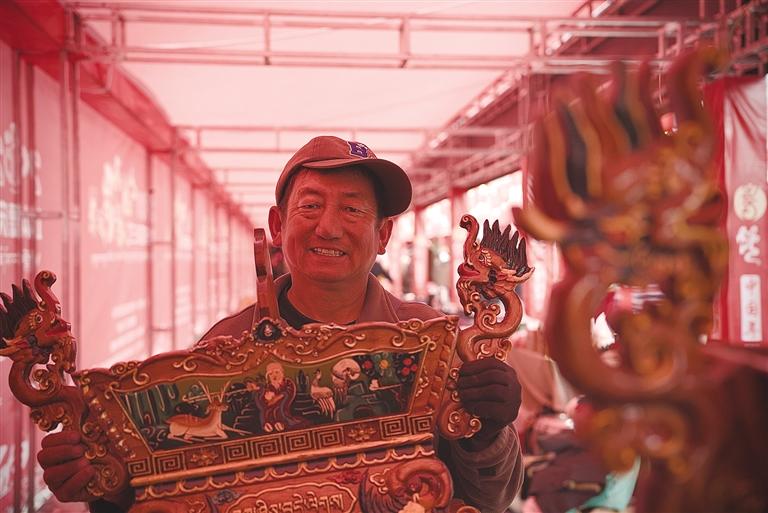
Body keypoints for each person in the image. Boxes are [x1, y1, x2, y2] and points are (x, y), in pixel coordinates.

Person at [36, 135, 524, 513]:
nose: (328, 227)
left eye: (352, 208)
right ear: (277, 225)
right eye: (310, 205)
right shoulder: (224, 348)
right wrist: (107, 483)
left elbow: (494, 498)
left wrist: (489, 432)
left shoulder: (430, 344)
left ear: (383, 235)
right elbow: (180, 487)